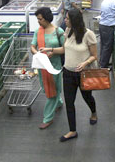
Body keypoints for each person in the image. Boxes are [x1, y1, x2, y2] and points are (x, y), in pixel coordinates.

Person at [40, 9, 98, 142]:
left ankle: (93, 112)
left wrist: (84, 63)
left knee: (87, 97)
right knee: (69, 102)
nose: (64, 20)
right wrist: (51, 50)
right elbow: (64, 50)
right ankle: (72, 131)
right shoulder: (67, 31)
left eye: (67, 19)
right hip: (68, 73)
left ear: (74, 20)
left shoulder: (88, 35)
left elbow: (94, 56)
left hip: (83, 74)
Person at [30, 7, 65, 129]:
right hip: (42, 67)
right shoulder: (37, 32)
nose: (38, 21)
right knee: (47, 89)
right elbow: (32, 47)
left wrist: (53, 52)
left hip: (54, 67)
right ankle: (59, 102)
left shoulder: (58, 31)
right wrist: (37, 54)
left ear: (47, 19)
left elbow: (64, 49)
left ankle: (48, 118)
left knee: (51, 93)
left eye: (40, 19)